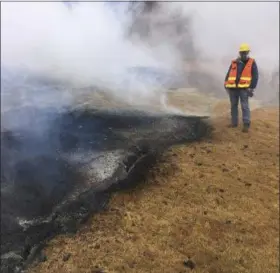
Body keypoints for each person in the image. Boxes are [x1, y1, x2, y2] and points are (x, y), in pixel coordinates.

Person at [224, 43, 259, 132]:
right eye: (242, 52)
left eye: (245, 52)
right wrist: (226, 84)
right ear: (240, 53)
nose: (244, 54)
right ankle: (234, 123)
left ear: (248, 52)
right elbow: (228, 74)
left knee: (244, 106)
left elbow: (255, 76)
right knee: (233, 106)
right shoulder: (234, 62)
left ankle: (246, 124)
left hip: (244, 89)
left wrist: (251, 87)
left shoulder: (252, 62)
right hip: (233, 88)